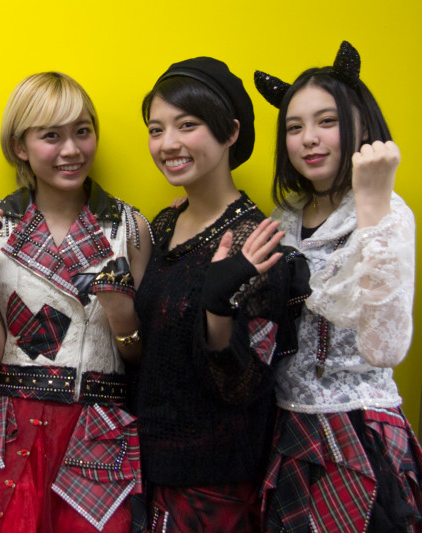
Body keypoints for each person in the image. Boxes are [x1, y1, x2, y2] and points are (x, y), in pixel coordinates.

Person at [0, 71, 152, 532]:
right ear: (20, 146)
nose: (72, 150)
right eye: (51, 136)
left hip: (97, 427)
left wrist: (122, 317)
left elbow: (143, 357)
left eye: (82, 132)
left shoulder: (129, 227)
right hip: (10, 425)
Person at [133, 57, 307, 531]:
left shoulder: (258, 241)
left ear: (230, 132)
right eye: (156, 129)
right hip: (147, 469)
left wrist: (218, 306)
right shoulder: (164, 224)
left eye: (187, 125)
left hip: (213, 485)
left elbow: (242, 385)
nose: (167, 143)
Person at [254, 40, 422, 532]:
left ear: (361, 126)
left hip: (358, 429)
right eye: (294, 127)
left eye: (326, 121)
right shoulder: (283, 217)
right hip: (288, 427)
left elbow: (385, 348)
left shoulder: (389, 212)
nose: (309, 139)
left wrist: (372, 203)